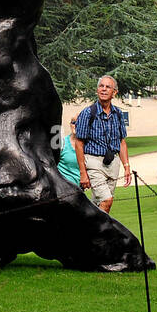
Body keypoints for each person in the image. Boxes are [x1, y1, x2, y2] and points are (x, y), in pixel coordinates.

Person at [73, 75, 131, 212]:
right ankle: (101, 233)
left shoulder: (117, 113)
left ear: (114, 92)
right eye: (101, 86)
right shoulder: (87, 113)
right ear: (97, 90)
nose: (104, 89)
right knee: (106, 200)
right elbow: (79, 144)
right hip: (93, 163)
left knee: (99, 206)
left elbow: (122, 142)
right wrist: (83, 173)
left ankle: (87, 231)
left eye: (108, 87)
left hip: (113, 164)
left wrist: (126, 166)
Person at [57, 116, 82, 189]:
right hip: (63, 187)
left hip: (79, 188)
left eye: (79, 122)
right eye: (73, 122)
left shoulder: (88, 145)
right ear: (70, 125)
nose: (76, 125)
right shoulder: (62, 143)